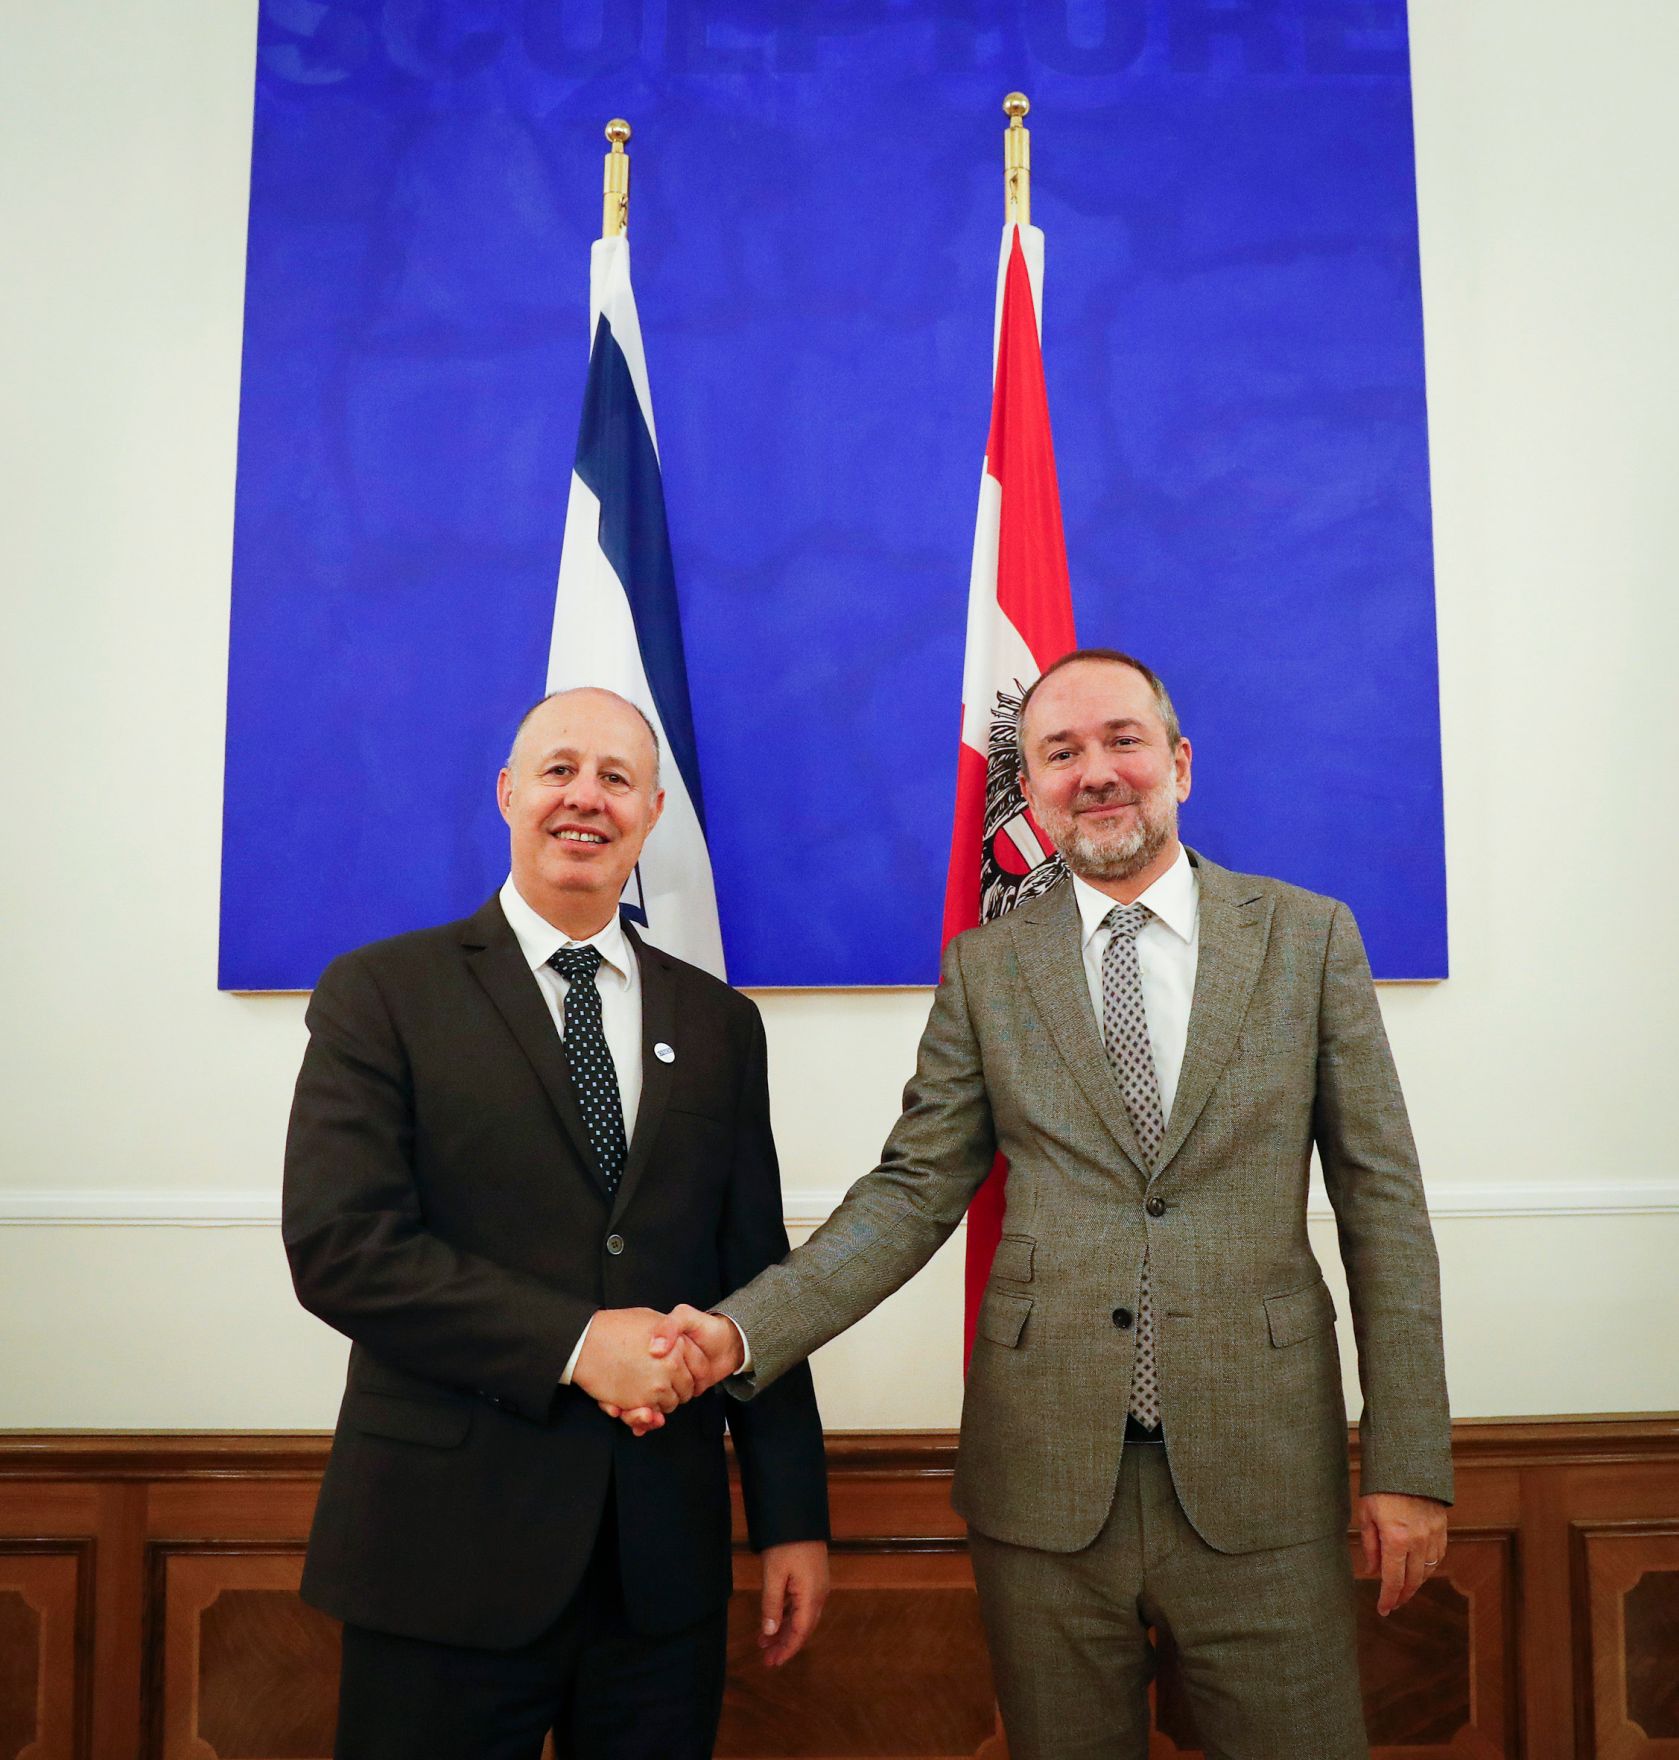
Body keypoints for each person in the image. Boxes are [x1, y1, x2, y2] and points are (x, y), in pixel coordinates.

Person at [629, 649, 1452, 1759]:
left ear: (1180, 762)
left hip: (1262, 1473)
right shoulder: (987, 969)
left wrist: (1405, 1460)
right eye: (1059, 752)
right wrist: (736, 1330)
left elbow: (1381, 1206)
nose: (1095, 771)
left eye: (1120, 739)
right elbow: (913, 1192)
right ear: (1033, 785)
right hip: (1046, 1484)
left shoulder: (1304, 939)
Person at [282, 686, 829, 1760]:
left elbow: (753, 1275)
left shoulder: (719, 1024)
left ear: (651, 813)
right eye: (559, 769)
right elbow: (342, 1247)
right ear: (507, 793)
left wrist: (789, 1513)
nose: (586, 796)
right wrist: (580, 1345)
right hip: (441, 1555)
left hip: (658, 1570)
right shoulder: (382, 992)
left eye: (616, 777)